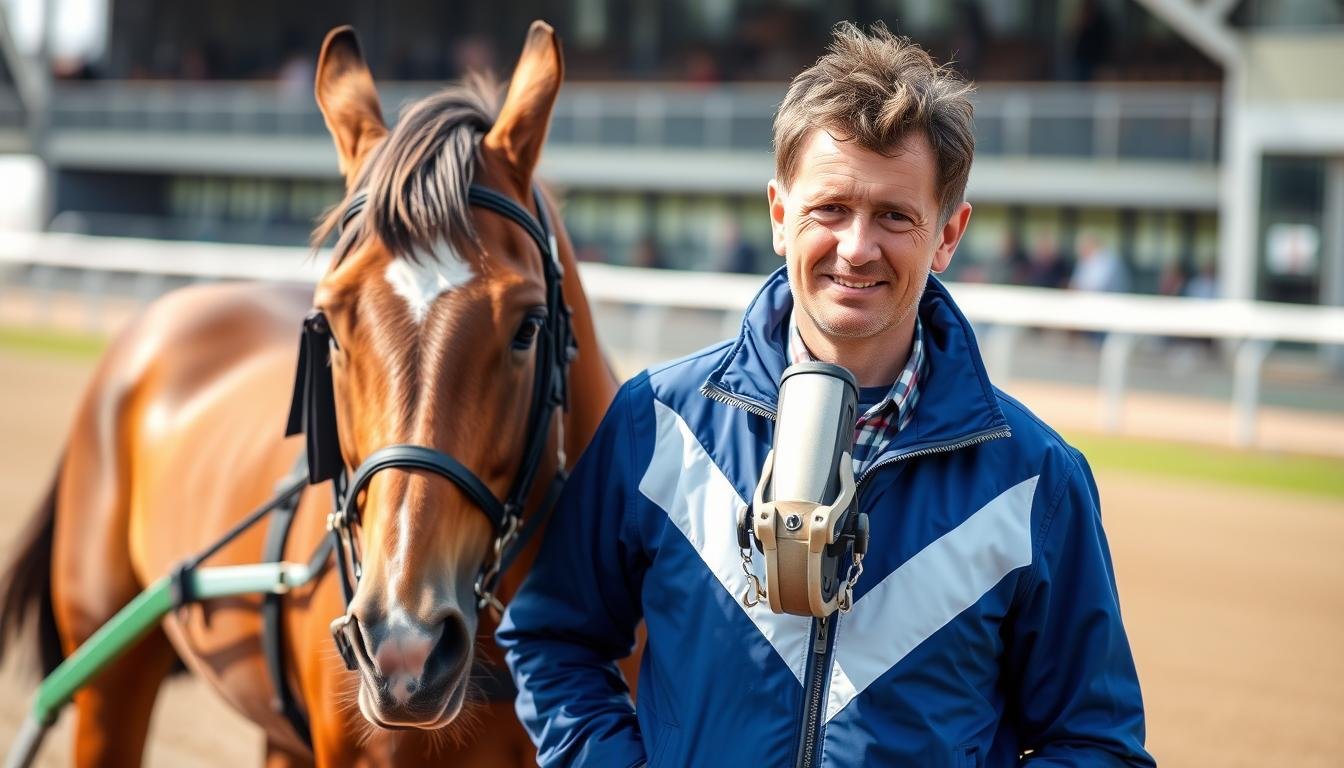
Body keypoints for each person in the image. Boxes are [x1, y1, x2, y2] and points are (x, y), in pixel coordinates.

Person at [498, 22, 1154, 767]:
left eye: (895, 216)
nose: (856, 247)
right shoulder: (656, 423)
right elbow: (553, 641)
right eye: (831, 209)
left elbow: (1096, 742)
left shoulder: (1037, 479)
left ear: (948, 234)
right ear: (780, 216)